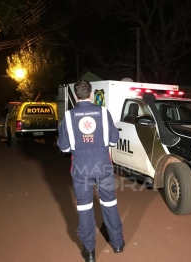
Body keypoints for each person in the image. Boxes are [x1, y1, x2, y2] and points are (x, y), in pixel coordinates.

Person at [57, 80, 124, 262]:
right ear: (91, 94)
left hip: (81, 167)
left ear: (76, 95)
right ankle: (117, 243)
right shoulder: (103, 113)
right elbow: (113, 140)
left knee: (85, 208)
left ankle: (90, 252)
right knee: (109, 203)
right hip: (103, 165)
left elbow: (64, 148)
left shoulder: (68, 117)